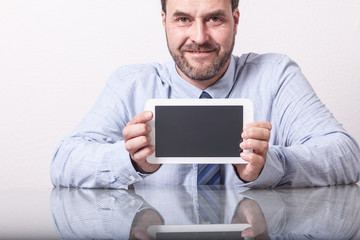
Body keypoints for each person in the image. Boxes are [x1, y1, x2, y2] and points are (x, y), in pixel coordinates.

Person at [50, 0, 360, 189]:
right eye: (183, 18)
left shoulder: (275, 75)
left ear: (235, 20)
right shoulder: (130, 83)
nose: (199, 37)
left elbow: (347, 156)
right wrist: (130, 162)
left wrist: (270, 166)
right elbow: (64, 163)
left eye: (214, 18)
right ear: (165, 22)